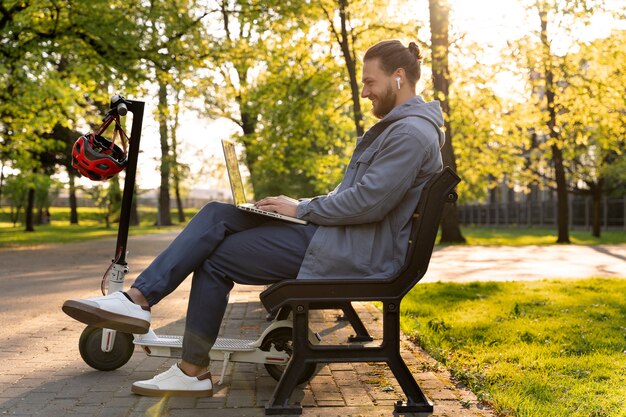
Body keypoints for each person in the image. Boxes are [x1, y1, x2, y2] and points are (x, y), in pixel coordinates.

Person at [62, 39, 444, 398]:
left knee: (215, 258)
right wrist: (296, 204)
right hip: (341, 238)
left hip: (353, 251)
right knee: (217, 214)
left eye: (370, 82)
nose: (364, 91)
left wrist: (301, 210)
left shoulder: (410, 133)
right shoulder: (402, 128)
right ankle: (141, 304)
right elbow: (357, 197)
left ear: (398, 77)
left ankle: (185, 360)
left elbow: (368, 203)